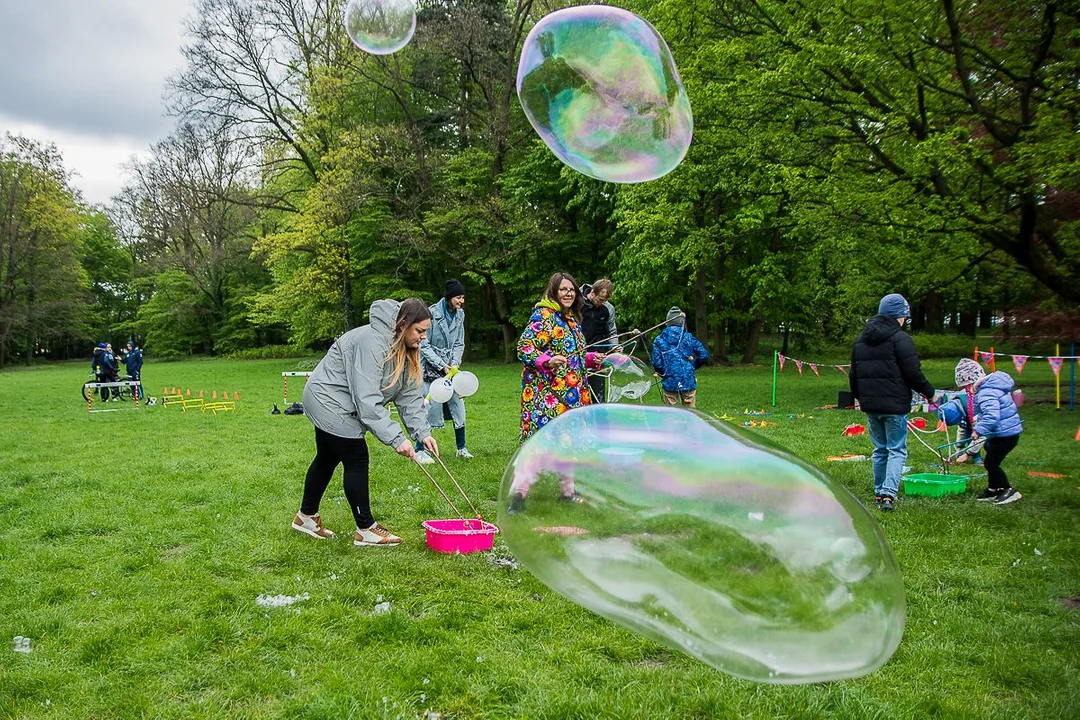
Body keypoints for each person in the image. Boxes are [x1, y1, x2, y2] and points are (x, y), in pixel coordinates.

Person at [291, 298, 438, 547]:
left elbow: (409, 396)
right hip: (327, 398)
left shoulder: (408, 346)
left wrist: (421, 433)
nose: (423, 337)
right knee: (356, 457)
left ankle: (306, 517)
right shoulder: (372, 343)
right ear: (403, 324)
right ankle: (366, 529)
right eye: (420, 331)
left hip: (342, 400)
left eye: (426, 332)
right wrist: (396, 438)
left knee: (327, 457)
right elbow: (367, 400)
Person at [509, 272, 605, 510]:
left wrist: (591, 358)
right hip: (547, 395)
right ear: (553, 291)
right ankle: (518, 496)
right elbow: (524, 347)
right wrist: (546, 360)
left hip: (571, 394)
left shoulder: (570, 319)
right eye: (563, 289)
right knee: (538, 445)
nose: (569, 293)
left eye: (571, 289)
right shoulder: (544, 315)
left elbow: (574, 356)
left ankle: (567, 492)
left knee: (567, 443)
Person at [849, 293, 938, 512]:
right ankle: (888, 493)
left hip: (871, 405)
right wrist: (930, 394)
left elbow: (853, 374)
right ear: (899, 316)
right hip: (895, 405)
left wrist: (860, 398)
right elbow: (913, 372)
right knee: (896, 449)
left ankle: (880, 492)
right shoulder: (901, 339)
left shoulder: (861, 339)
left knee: (880, 449)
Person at [416, 279, 472, 463]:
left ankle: (461, 448)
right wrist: (441, 365)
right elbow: (423, 344)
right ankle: (420, 450)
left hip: (451, 369)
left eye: (463, 297)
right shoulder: (431, 314)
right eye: (458, 297)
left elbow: (459, 342)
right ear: (449, 297)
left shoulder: (460, 315)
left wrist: (454, 363)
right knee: (427, 408)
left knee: (458, 407)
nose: (461, 301)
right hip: (430, 369)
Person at [953, 358, 1023, 504]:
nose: (966, 390)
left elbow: (992, 416)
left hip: (1005, 434)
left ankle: (1008, 489)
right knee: (989, 453)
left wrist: (978, 430)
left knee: (991, 463)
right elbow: (991, 411)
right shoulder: (991, 388)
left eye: (966, 386)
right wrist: (979, 418)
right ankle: (993, 489)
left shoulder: (985, 392)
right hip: (1004, 432)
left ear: (971, 381)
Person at [650, 307, 709, 408]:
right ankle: (690, 424)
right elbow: (703, 355)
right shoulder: (688, 337)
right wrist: (692, 367)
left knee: (670, 413)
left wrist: (664, 373)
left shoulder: (659, 340)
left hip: (669, 380)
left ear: (667, 322)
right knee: (691, 412)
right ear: (682, 322)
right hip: (688, 379)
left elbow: (657, 363)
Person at [581, 278, 618, 403]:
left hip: (598, 358)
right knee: (577, 396)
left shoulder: (608, 309)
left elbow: (611, 331)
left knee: (599, 397)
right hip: (578, 356)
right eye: (601, 299)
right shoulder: (577, 304)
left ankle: (600, 421)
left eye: (606, 300)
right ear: (592, 292)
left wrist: (615, 347)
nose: (603, 303)